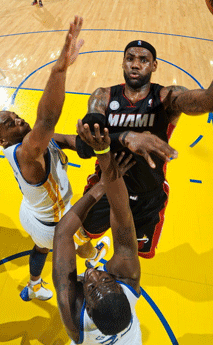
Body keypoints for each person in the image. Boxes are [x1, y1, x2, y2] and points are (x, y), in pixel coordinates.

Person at [76, 27, 213, 258]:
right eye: (130, 59)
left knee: (130, 258)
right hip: (105, 188)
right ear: (122, 63)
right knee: (82, 241)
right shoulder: (102, 96)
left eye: (143, 60)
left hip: (147, 196)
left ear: (154, 66)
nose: (135, 64)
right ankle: (94, 256)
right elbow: (85, 146)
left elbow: (211, 101)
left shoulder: (166, 97)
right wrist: (127, 137)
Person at [0, 17, 108, 302]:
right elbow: (48, 119)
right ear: (3, 140)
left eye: (15, 115)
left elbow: (66, 140)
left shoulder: (34, 143)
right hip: (54, 223)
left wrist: (93, 144)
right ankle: (90, 261)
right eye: (9, 123)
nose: (18, 119)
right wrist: (59, 69)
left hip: (31, 214)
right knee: (80, 245)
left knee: (40, 249)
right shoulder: (26, 151)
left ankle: (34, 285)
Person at [53, 122, 142, 343]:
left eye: (91, 287)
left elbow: (63, 233)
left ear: (88, 312)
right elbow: (122, 217)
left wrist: (101, 186)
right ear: (123, 292)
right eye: (105, 279)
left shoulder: (74, 318)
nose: (93, 274)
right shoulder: (128, 280)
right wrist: (105, 158)